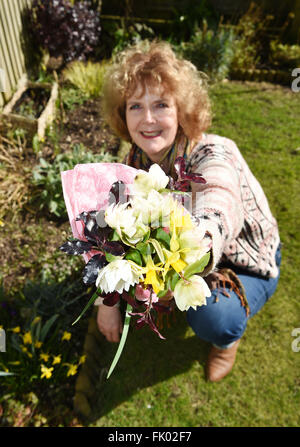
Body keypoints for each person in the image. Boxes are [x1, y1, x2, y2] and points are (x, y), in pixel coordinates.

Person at [96, 40, 281, 382]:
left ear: (182, 109)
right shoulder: (132, 165)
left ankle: (227, 340)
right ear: (123, 114)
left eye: (161, 104)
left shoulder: (214, 154)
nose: (148, 119)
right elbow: (109, 237)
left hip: (243, 258)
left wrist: (178, 266)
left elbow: (217, 209)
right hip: (185, 254)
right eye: (135, 106)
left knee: (214, 316)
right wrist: (107, 304)